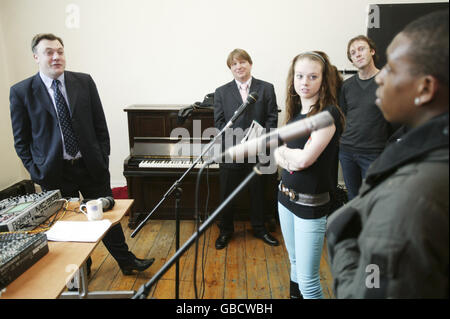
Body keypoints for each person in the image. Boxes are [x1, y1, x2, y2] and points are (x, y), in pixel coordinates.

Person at [9, 33, 154, 277]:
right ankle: (80, 268)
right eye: (49, 52)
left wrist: (102, 157)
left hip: (90, 166)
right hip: (53, 173)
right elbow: (21, 140)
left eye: (60, 51)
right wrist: (37, 171)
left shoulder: (84, 82)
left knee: (106, 216)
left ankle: (126, 261)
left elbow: (100, 126)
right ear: (36, 57)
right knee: (64, 225)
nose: (56, 57)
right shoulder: (22, 91)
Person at [327, 10, 449, 298]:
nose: (382, 80)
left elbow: (368, 291)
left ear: (425, 87)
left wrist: (342, 238)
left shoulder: (406, 198)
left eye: (392, 70)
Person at [274, 51, 344, 299]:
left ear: (323, 81)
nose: (304, 82)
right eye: (300, 76)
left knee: (308, 280)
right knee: (294, 262)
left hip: (310, 204)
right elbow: (279, 157)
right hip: (285, 198)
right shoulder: (296, 114)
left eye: (313, 77)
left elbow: (304, 159)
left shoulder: (328, 115)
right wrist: (288, 156)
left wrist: (286, 154)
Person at [213, 48, 279, 250]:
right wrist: (238, 145)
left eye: (242, 62)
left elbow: (272, 118)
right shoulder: (221, 92)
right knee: (227, 193)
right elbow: (219, 123)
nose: (238, 66)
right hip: (232, 152)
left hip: (258, 152)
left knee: (258, 193)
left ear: (250, 64)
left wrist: (257, 143)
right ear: (230, 68)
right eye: (234, 64)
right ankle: (225, 231)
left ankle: (260, 229)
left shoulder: (266, 88)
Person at [339, 35, 395, 200]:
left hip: (374, 153)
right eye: (353, 52)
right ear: (351, 60)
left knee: (373, 198)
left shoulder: (387, 82)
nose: (357, 54)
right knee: (353, 199)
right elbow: (343, 117)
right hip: (347, 152)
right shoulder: (346, 86)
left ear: (372, 51)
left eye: (361, 49)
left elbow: (396, 120)